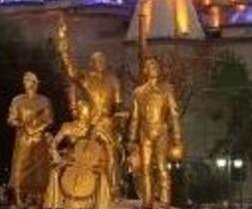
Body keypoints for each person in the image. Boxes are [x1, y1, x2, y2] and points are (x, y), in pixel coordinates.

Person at [55, 20, 124, 197]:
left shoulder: (113, 80)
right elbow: (71, 71)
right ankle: (81, 188)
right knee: (79, 151)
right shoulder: (86, 78)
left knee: (110, 153)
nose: (100, 62)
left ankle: (113, 188)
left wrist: (117, 119)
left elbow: (118, 104)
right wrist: (63, 44)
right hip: (88, 123)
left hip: (106, 124)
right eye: (96, 60)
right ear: (91, 63)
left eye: (102, 59)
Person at [128, 58, 184, 208]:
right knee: (145, 168)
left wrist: (177, 138)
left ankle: (165, 201)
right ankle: (147, 201)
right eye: (151, 66)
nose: (155, 68)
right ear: (145, 71)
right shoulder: (138, 92)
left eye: (156, 66)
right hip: (144, 133)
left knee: (161, 166)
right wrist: (131, 138)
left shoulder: (167, 89)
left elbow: (174, 114)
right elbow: (135, 117)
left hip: (161, 131)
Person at [7, 72, 53, 207]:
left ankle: (39, 197)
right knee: (19, 167)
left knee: (40, 168)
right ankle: (18, 198)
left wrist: (37, 128)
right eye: (25, 80)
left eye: (29, 80)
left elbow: (49, 120)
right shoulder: (17, 100)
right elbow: (11, 119)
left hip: (39, 139)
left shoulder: (44, 100)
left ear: (35, 83)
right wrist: (23, 125)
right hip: (23, 139)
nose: (26, 83)